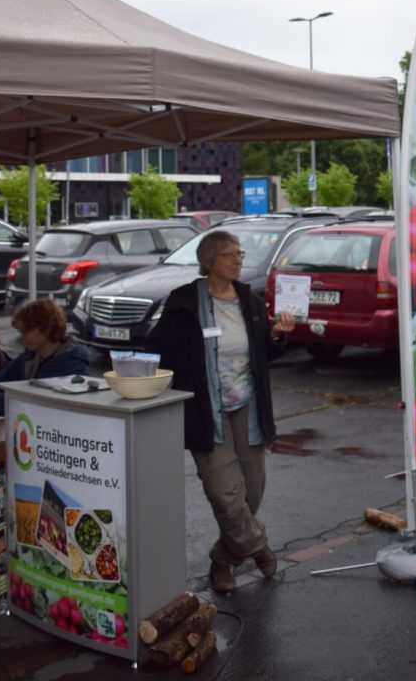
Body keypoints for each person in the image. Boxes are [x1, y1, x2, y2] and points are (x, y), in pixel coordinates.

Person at [147, 229, 295, 594]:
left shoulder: (249, 299)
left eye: (240, 254)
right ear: (210, 260)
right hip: (205, 410)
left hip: (248, 407)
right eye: (231, 255)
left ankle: (223, 559)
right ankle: (259, 548)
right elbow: (158, 347)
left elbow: (264, 352)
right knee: (224, 494)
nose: (238, 260)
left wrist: (278, 335)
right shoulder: (184, 301)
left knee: (251, 491)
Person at [0, 299, 90, 416]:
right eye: (21, 331)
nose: (22, 336)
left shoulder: (72, 363)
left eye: (27, 331)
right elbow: (1, 379)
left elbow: (28, 400)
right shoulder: (30, 357)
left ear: (47, 327)